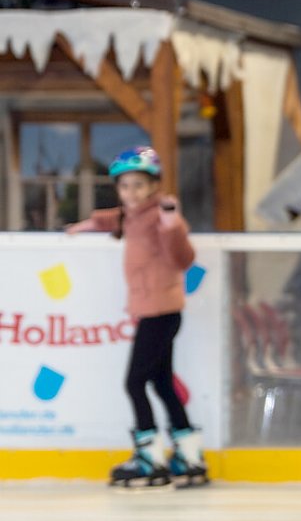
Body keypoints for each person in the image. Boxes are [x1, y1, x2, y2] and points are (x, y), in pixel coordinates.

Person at [66, 146, 209, 488]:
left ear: (154, 186)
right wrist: (85, 225)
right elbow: (114, 218)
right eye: (125, 186)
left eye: (139, 186)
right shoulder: (132, 215)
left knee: (134, 383)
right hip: (155, 311)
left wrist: (173, 226)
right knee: (160, 383)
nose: (131, 193)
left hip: (160, 312)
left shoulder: (161, 215)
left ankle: (149, 456)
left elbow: (183, 259)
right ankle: (189, 455)